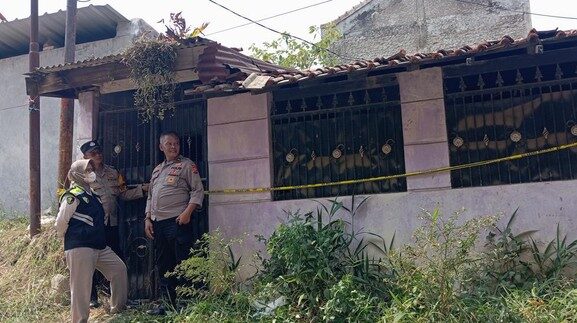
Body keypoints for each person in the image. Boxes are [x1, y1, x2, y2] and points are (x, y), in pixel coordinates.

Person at [55, 159, 128, 323]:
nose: (90, 172)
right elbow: (61, 222)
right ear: (77, 174)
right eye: (86, 170)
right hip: (80, 247)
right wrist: (67, 241)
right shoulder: (72, 196)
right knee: (81, 289)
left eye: (90, 169)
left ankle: (117, 310)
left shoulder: (93, 195)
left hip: (99, 246)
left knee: (119, 269)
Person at [80, 140, 148, 308]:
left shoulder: (113, 172)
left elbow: (123, 194)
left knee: (117, 261)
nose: (98, 155)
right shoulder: (82, 176)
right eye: (93, 153)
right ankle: (91, 298)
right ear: (85, 157)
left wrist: (142, 190)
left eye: (99, 151)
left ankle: (119, 299)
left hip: (113, 224)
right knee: (91, 261)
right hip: (93, 226)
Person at [144, 131, 204, 314]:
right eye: (169, 144)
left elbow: (197, 191)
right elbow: (150, 197)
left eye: (176, 143)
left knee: (183, 262)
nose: (173, 147)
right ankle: (167, 304)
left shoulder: (187, 165)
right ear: (161, 147)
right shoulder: (157, 170)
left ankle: (187, 303)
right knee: (164, 265)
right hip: (158, 224)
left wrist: (187, 212)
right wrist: (147, 218)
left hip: (178, 221)